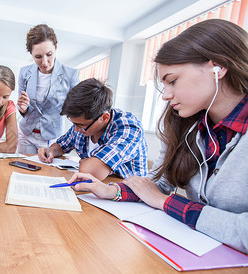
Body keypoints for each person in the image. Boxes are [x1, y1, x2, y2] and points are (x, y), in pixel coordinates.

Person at [68, 20, 248, 254]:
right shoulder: (184, 124)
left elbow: (158, 196)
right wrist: (111, 191)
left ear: (219, 67)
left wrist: (164, 202)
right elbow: (158, 185)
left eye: (173, 81)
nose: (166, 96)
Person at [38, 78, 148, 180]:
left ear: (104, 118)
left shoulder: (128, 127)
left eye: (80, 125)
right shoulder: (84, 124)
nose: (76, 129)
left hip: (125, 193)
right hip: (93, 190)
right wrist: (52, 151)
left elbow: (91, 172)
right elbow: (61, 145)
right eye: (74, 123)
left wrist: (88, 164)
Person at [17, 24, 79, 154]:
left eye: (49, 54)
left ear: (56, 48)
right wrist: (23, 108)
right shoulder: (24, 73)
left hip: (51, 137)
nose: (45, 62)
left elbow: (75, 110)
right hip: (26, 133)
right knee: (22, 169)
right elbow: (23, 106)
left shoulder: (70, 75)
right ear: (31, 54)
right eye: (38, 57)